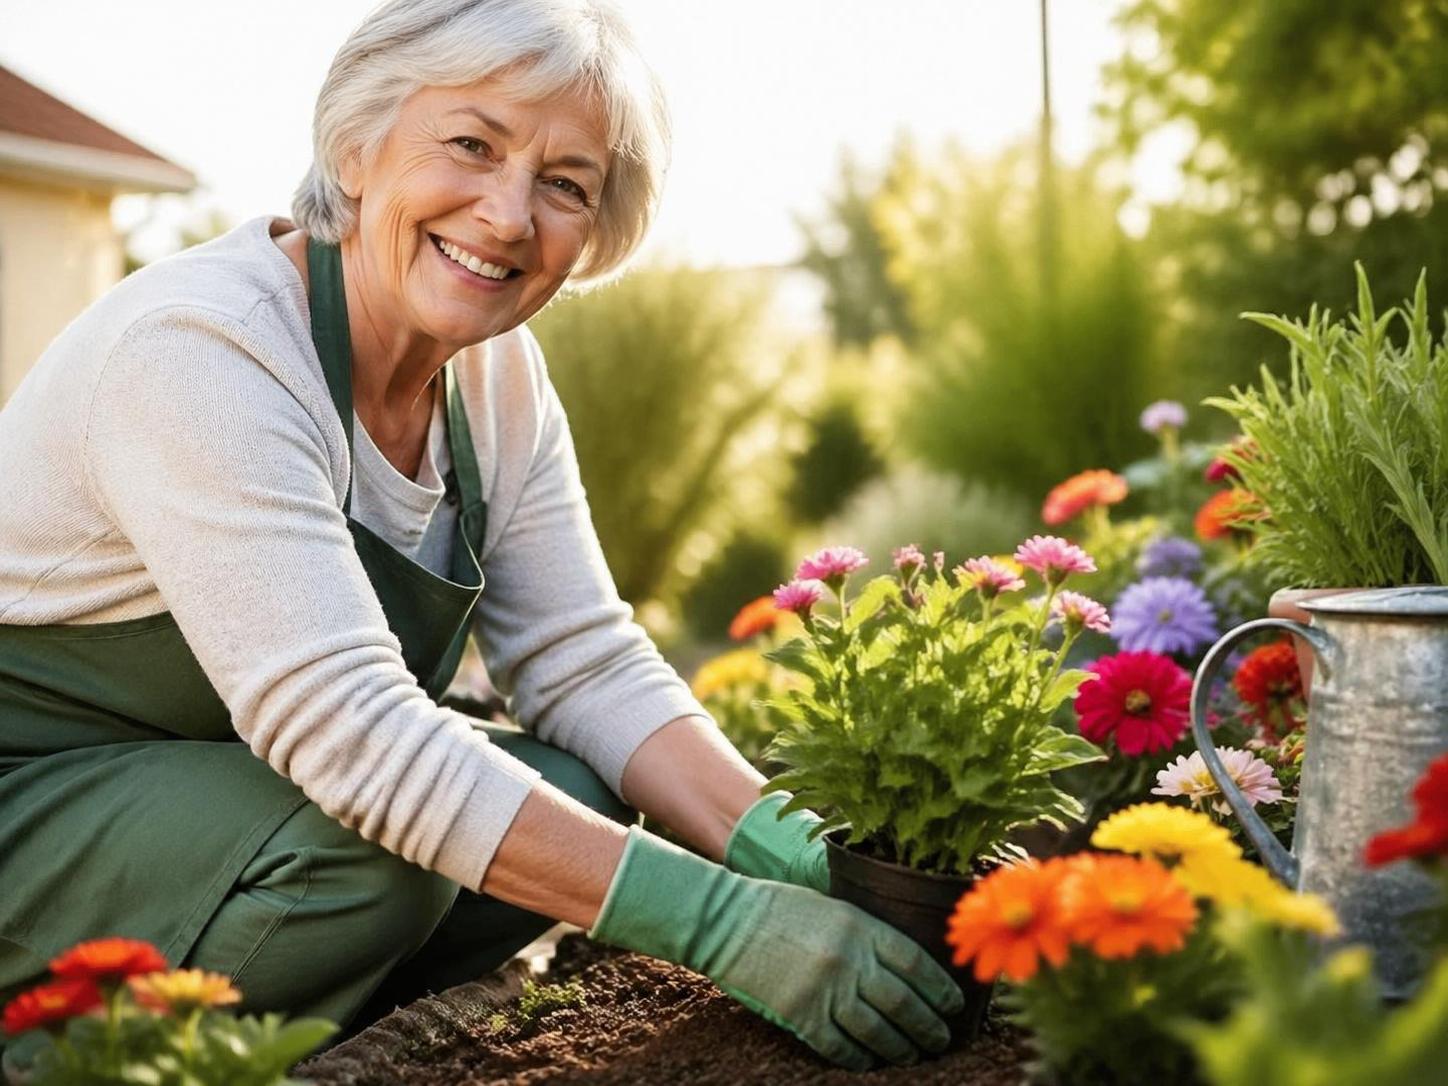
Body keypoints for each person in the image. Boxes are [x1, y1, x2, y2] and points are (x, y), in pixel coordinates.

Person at [0, 0, 962, 1074]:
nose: (508, 216)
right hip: (31, 795)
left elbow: (579, 656)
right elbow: (348, 733)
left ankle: (341, 1027)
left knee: (578, 788)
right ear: (356, 147)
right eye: (470, 143)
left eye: (565, 184)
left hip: (201, 791)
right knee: (370, 858)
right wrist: (721, 927)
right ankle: (68, 1058)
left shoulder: (495, 379)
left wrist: (797, 859)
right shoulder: (200, 353)